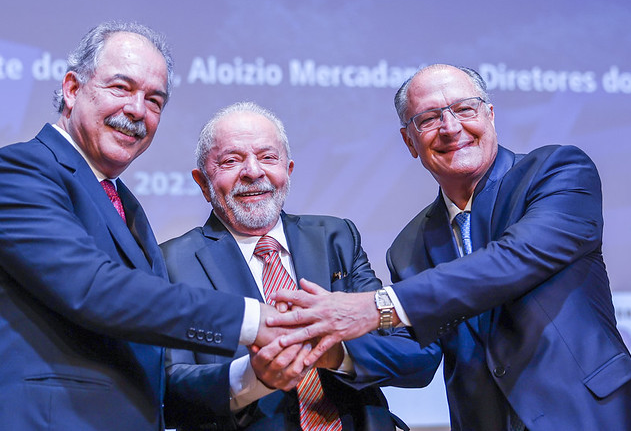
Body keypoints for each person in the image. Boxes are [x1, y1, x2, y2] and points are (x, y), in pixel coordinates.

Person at [269, 64, 631, 430]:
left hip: (598, 418)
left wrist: (375, 307)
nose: (450, 127)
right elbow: (419, 355)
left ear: (490, 116)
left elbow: (513, 260)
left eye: (465, 109)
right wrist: (329, 350)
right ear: (410, 141)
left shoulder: (556, 172)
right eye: (428, 118)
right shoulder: (408, 248)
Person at [0, 22, 285, 431]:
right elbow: (93, 289)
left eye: (154, 99)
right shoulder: (16, 171)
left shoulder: (125, 206)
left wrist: (256, 377)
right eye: (121, 88)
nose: (138, 110)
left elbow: (146, 382)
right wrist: (254, 321)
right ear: (72, 89)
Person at [160, 101, 437, 431]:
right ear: (202, 181)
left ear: (288, 171)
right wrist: (254, 375)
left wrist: (336, 355)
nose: (253, 171)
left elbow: (417, 357)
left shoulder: (336, 238)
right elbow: (167, 389)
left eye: (267, 157)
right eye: (231, 160)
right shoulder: (170, 263)